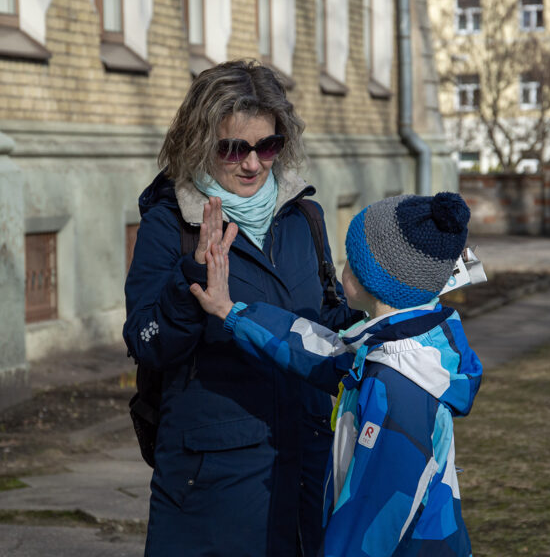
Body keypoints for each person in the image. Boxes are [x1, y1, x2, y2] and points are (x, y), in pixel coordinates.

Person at [123, 60, 361, 556]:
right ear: (200, 142)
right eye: (234, 148)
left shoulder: (304, 215)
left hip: (307, 465)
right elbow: (146, 341)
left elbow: (321, 324)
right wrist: (191, 279)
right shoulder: (171, 224)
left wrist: (377, 312)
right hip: (214, 484)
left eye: (267, 146)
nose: (253, 164)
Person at [191, 191, 483, 557]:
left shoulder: (397, 388)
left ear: (369, 281)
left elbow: (371, 514)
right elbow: (318, 350)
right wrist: (231, 311)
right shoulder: (398, 345)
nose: (342, 267)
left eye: (351, 261)